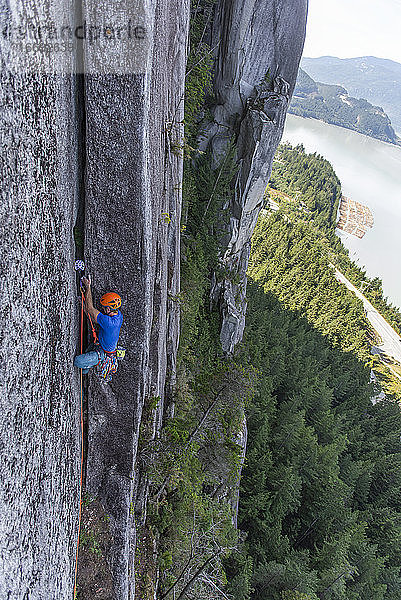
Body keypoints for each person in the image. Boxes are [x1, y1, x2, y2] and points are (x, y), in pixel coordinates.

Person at [74, 277, 123, 381]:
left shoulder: (109, 323)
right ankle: (86, 369)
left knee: (78, 361)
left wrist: (88, 287)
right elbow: (94, 318)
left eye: (104, 307)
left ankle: (87, 366)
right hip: (101, 346)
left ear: (109, 309)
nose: (102, 309)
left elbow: (90, 309)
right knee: (86, 355)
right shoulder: (118, 315)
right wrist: (84, 306)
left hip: (103, 354)